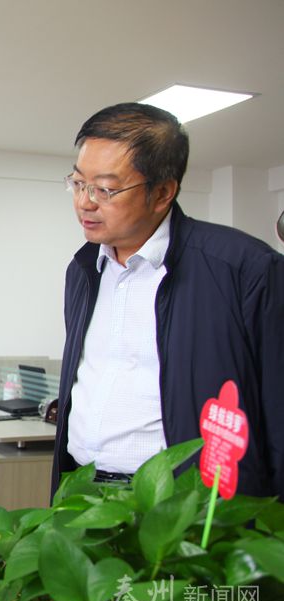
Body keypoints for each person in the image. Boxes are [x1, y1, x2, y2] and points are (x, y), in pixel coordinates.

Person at [52, 102, 284, 498]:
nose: (85, 202)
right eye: (78, 183)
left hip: (185, 501)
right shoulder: (84, 270)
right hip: (83, 489)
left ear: (162, 192)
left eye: (105, 189)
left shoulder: (244, 268)